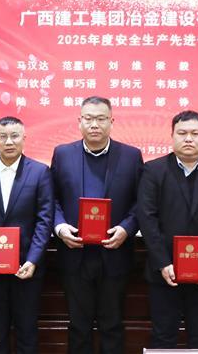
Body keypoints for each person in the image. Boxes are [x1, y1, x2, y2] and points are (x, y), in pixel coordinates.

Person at [51, 96, 143, 354]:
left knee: (112, 325)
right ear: (79, 121)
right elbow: (51, 198)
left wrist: (126, 228)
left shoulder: (131, 156)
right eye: (89, 118)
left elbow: (142, 202)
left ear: (112, 122)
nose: (94, 124)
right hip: (74, 254)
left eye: (101, 119)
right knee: (78, 327)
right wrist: (60, 227)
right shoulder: (62, 153)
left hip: (115, 254)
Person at [137, 110, 198, 351]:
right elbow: (147, 219)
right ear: (172, 136)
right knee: (163, 338)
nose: (188, 138)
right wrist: (163, 263)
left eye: (195, 133)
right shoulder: (153, 170)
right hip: (164, 273)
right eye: (182, 133)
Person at [0, 116, 53, 354]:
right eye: (3, 137)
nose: (9, 142)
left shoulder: (40, 172)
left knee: (27, 332)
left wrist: (33, 260)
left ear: (24, 138)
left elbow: (44, 220)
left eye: (14, 136)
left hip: (26, 268)